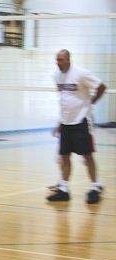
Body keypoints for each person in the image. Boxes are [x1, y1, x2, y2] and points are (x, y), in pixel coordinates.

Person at [47, 49, 106, 204]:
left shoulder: (81, 73)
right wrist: (60, 122)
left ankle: (95, 187)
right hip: (66, 124)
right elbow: (64, 100)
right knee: (65, 157)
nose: (58, 62)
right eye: (56, 59)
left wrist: (91, 101)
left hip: (81, 122)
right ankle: (64, 190)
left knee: (87, 156)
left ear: (68, 60)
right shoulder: (56, 76)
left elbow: (101, 87)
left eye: (60, 59)